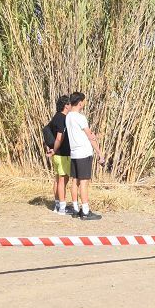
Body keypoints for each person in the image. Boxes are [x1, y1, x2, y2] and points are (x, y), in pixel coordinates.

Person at [61, 91, 105, 220]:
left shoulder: (68, 116)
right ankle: (85, 211)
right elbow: (90, 136)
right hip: (83, 153)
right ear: (80, 103)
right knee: (84, 182)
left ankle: (75, 209)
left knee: (75, 181)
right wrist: (100, 153)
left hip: (74, 153)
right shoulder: (80, 117)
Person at [46, 95, 72, 214]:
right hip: (62, 154)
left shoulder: (55, 117)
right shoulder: (62, 118)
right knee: (63, 180)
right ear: (66, 105)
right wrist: (55, 150)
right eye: (70, 103)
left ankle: (57, 205)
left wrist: (51, 148)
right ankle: (62, 208)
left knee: (57, 180)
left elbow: (48, 132)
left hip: (57, 155)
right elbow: (59, 138)